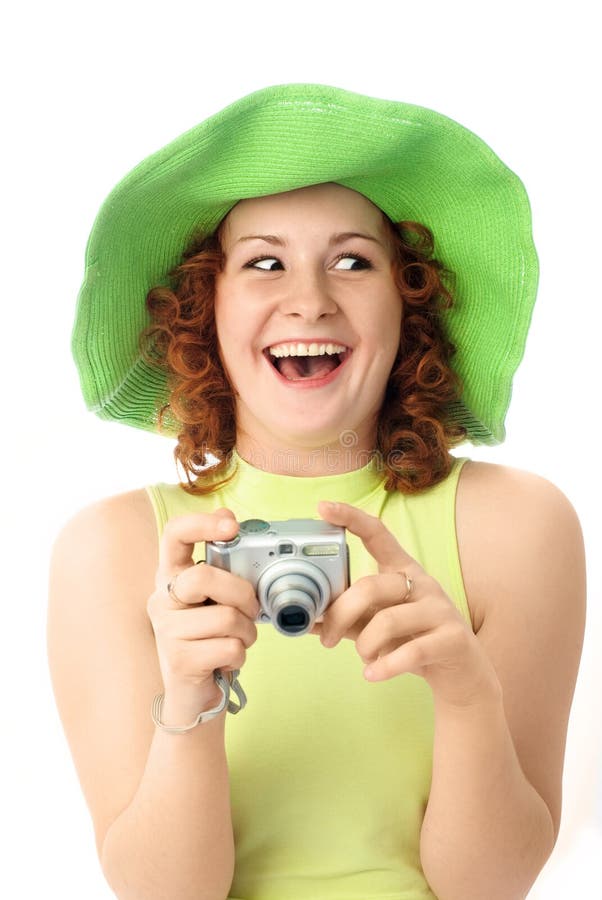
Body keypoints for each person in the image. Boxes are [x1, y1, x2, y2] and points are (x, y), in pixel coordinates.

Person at [48, 84, 586, 900]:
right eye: (265, 262)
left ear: (410, 306)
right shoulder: (115, 548)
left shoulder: (516, 526)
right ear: (205, 308)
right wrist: (190, 701)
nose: (310, 299)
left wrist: (468, 691)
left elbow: (489, 887)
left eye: (353, 261)